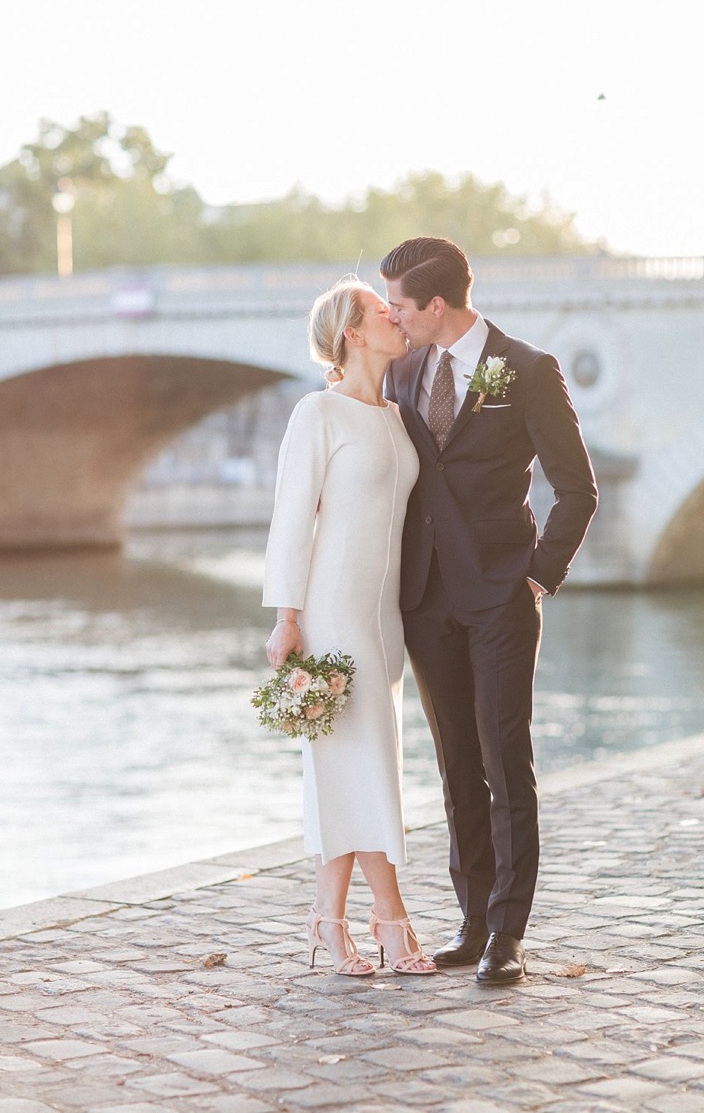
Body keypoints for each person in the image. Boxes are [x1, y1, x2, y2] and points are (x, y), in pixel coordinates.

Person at [380, 237, 598, 986]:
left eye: (400, 306)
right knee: (455, 767)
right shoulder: (402, 371)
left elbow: (578, 489)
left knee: (507, 762)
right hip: (425, 600)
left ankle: (508, 935)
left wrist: (538, 577)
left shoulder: (525, 368)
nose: (392, 317)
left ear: (435, 305)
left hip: (502, 597)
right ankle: (471, 923)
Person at [263, 276, 437, 977]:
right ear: (353, 335)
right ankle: (391, 919)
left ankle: (327, 924)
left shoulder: (396, 418)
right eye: (381, 311)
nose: (397, 317)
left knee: (351, 770)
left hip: (385, 617)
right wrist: (287, 618)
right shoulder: (318, 412)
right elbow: (290, 520)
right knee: (364, 768)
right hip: (333, 615)